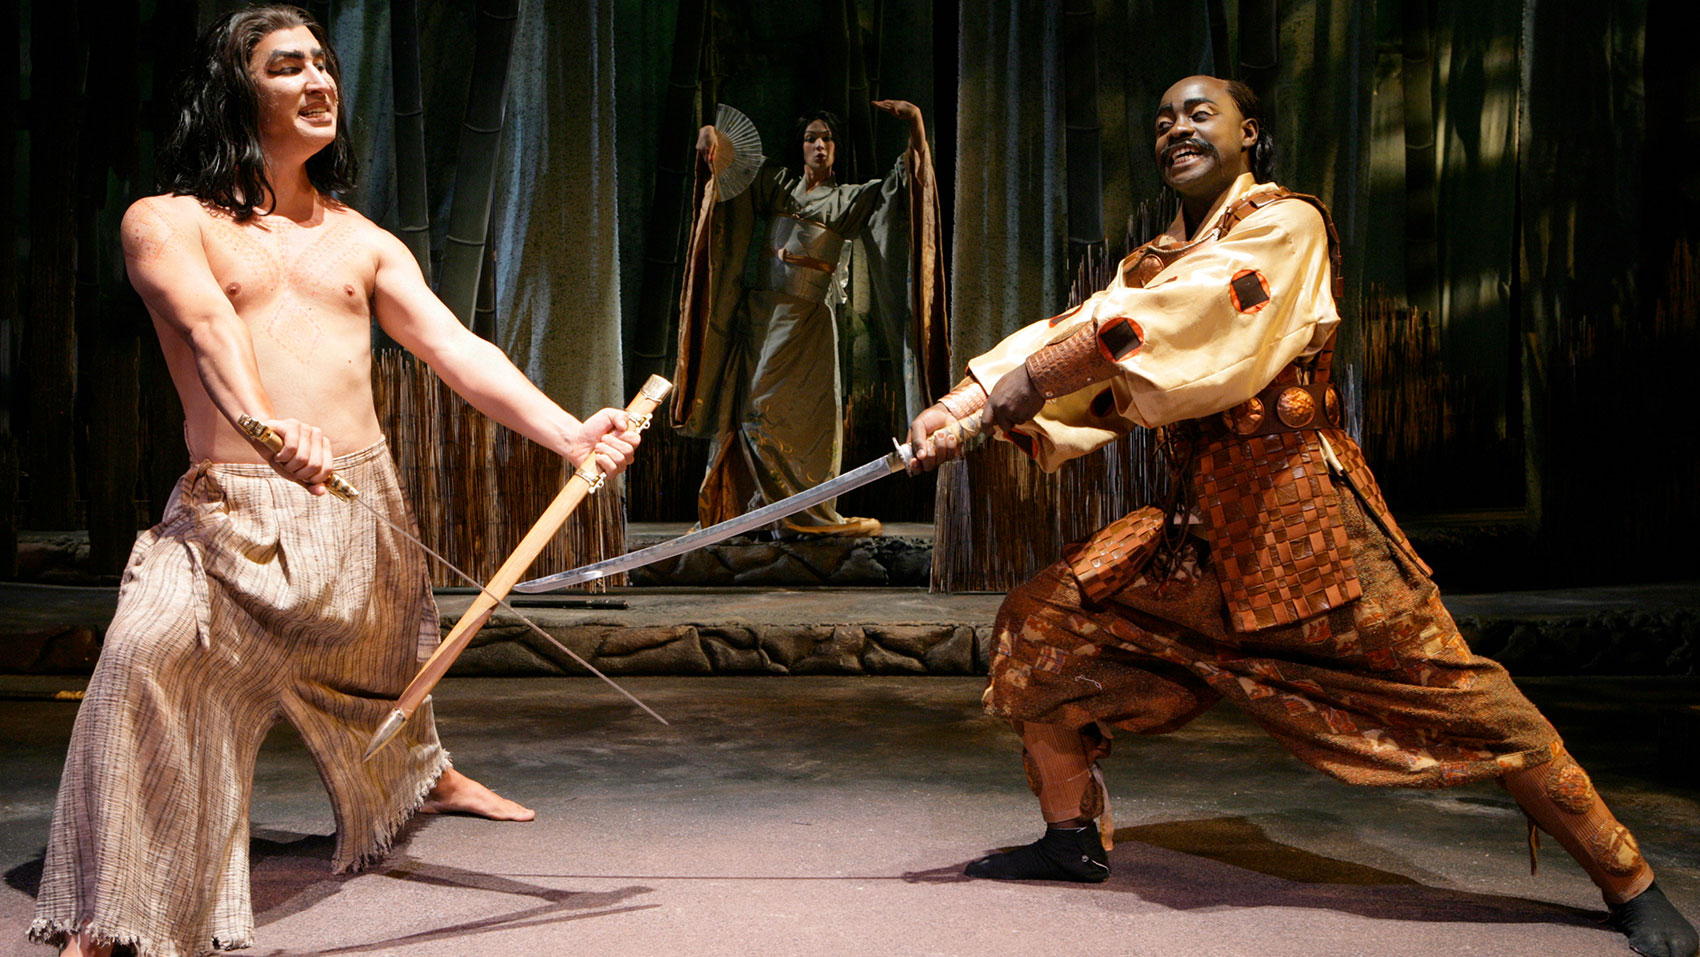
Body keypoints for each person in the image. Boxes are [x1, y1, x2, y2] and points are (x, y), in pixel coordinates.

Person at [906, 75, 1697, 957]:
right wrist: (963, 406)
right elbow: (1092, 326)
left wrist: (1024, 382)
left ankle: (1631, 882)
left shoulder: (1287, 226)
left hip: (1309, 526)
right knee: (1044, 621)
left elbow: (1181, 315)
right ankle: (1068, 837)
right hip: (1198, 533)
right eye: (1164, 119)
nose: (1177, 129)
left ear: (1253, 133)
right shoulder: (1148, 265)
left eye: (1200, 114)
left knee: (1473, 705)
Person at [28, 7, 641, 956]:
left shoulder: (365, 240)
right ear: (237, 92)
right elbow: (208, 332)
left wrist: (571, 434)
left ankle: (424, 777)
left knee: (390, 659)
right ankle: (121, 908)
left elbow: (453, 347)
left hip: (358, 500)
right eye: (288, 67)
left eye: (324, 64)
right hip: (233, 504)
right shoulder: (167, 221)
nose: (320, 80)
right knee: (145, 658)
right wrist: (267, 430)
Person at [672, 100, 948, 537]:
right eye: (811, 139)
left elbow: (903, 186)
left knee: (810, 419)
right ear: (800, 147)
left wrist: (916, 123)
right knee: (752, 407)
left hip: (809, 323)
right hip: (763, 315)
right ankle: (753, 507)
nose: (819, 146)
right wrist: (709, 135)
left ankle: (805, 511)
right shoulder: (778, 187)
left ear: (836, 148)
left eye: (827, 139)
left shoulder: (848, 199)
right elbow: (733, 161)